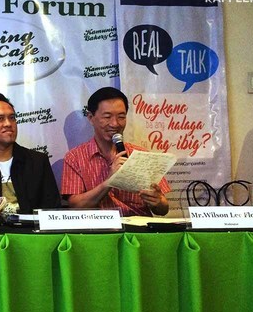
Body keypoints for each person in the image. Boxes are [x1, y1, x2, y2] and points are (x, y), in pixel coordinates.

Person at [61, 87, 171, 216]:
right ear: (91, 118)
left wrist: (158, 202)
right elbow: (76, 207)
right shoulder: (75, 157)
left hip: (138, 231)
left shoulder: (140, 154)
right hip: (100, 231)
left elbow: (163, 209)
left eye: (121, 117)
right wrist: (110, 181)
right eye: (107, 117)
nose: (115, 124)